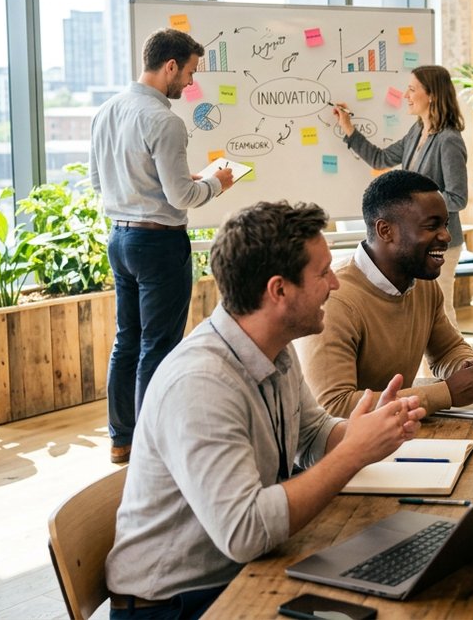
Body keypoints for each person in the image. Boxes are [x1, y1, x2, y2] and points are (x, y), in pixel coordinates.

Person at [106, 201, 426, 617]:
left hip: (244, 571)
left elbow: (311, 434)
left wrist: (366, 431)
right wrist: (352, 453)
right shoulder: (200, 383)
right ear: (279, 291)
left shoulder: (274, 348)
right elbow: (246, 532)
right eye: (322, 273)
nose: (335, 283)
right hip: (177, 605)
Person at [90, 28, 235, 465]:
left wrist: (166, 182)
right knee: (159, 345)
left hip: (120, 239)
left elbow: (100, 182)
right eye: (190, 72)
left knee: (127, 341)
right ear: (170, 65)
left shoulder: (106, 111)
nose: (191, 82)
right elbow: (183, 197)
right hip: (159, 243)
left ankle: (122, 440)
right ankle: (153, 445)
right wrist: (217, 182)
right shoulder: (165, 120)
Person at [297, 170, 473, 418]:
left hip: (398, 431)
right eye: (432, 226)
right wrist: (446, 393)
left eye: (445, 224)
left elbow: (447, 350)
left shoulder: (422, 283)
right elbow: (334, 406)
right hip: (351, 440)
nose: (446, 236)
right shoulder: (335, 300)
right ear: (385, 231)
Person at [332, 64, 469, 325]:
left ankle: (457, 354)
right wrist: (348, 127)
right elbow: (380, 158)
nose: (406, 95)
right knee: (420, 314)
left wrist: (418, 207)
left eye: (412, 89)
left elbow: (458, 198)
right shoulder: (417, 132)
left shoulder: (449, 140)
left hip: (440, 242)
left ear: (432, 95)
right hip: (414, 241)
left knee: (441, 313)